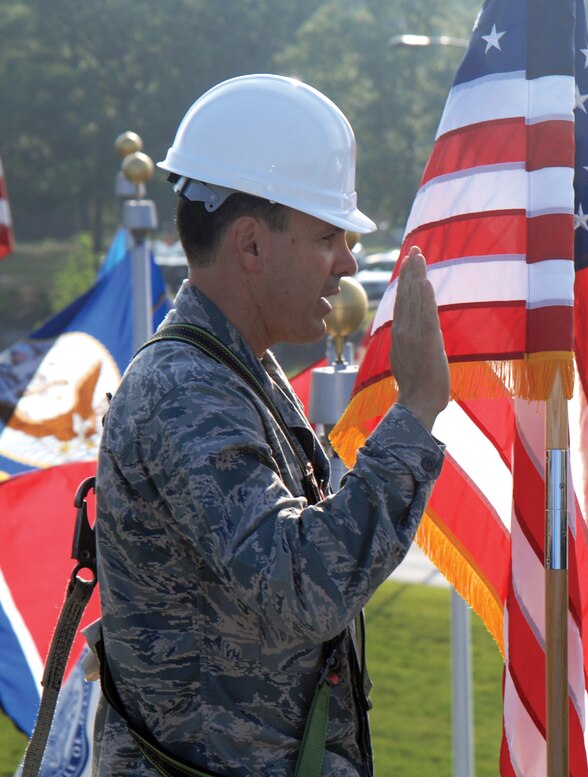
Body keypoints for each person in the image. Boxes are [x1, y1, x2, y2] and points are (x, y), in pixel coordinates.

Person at [92, 74, 449, 776]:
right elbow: (301, 585)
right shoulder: (187, 389)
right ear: (251, 245)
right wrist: (416, 413)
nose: (346, 264)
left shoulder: (233, 369)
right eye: (327, 237)